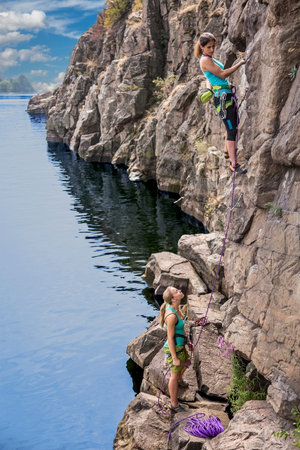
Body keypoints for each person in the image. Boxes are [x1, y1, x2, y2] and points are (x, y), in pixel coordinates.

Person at [194, 32, 247, 175]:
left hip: (225, 95)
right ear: (202, 47)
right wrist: (239, 64)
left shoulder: (209, 58)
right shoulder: (205, 60)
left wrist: (211, 86)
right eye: (209, 47)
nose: (212, 49)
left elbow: (211, 77)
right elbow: (222, 74)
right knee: (232, 130)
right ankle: (233, 165)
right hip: (223, 98)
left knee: (232, 125)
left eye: (213, 46)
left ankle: (226, 152)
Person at [160, 286, 191, 413]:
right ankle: (174, 404)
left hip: (180, 344)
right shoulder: (171, 315)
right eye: (176, 291)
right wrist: (174, 358)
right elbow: (170, 338)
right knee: (173, 374)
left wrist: (187, 342)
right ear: (173, 299)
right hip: (174, 347)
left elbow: (181, 330)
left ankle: (179, 379)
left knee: (187, 362)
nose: (179, 290)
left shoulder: (176, 307)